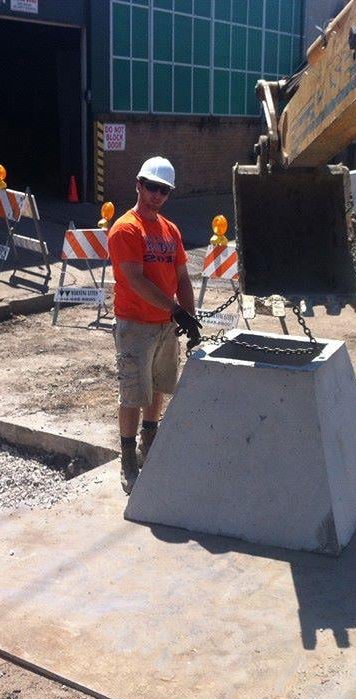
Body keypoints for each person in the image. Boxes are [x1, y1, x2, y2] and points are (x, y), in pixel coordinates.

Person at [108, 156, 201, 495]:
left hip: (165, 324)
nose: (158, 195)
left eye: (164, 190)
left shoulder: (169, 230)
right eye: (152, 187)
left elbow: (182, 278)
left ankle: (151, 442)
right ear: (138, 185)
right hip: (135, 325)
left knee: (158, 386)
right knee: (133, 392)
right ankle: (128, 457)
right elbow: (135, 280)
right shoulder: (126, 229)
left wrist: (189, 318)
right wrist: (175, 310)